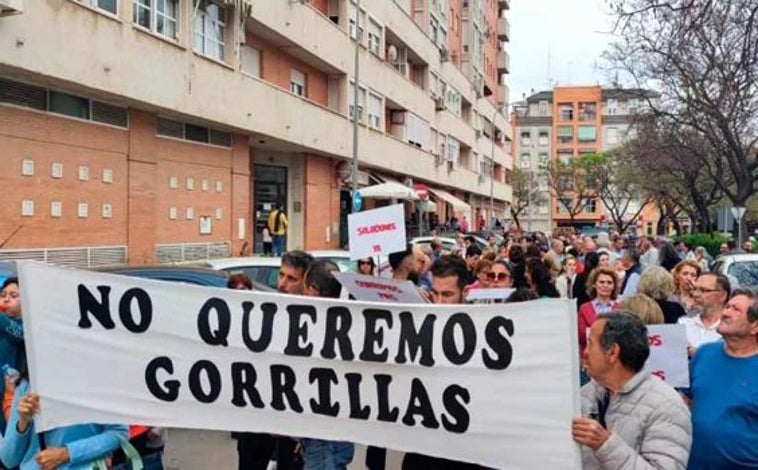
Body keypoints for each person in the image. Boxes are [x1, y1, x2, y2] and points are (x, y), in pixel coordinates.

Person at [572, 313, 691, 470]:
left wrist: (606, 445)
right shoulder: (586, 395)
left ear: (612, 352)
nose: (585, 352)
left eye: (590, 343)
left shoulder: (666, 406)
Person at [237, 250, 313, 470]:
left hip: (292, 428)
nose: (282, 283)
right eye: (281, 275)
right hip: (257, 421)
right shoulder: (262, 312)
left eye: (291, 278)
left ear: (305, 281)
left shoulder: (315, 320)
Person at [402, 255, 479, 469]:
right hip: (423, 446)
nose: (439, 302)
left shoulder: (482, 327)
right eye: (434, 293)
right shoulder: (420, 321)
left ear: (465, 292)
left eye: (447, 295)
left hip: (465, 448)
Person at [686, 289, 758, 469]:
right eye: (727, 306)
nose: (725, 313)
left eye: (736, 310)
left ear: (755, 326)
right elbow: (686, 401)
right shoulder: (704, 353)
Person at [300, 260, 355, 470]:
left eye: (304, 287)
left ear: (313, 290)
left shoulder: (319, 327)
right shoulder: (346, 322)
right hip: (332, 432)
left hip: (325, 436)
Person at [677, 272, 730, 358]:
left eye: (703, 290)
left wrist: (698, 354)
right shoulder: (683, 324)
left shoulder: (734, 329)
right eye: (695, 289)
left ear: (722, 296)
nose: (695, 294)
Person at [578, 267, 620, 356]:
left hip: (613, 358)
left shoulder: (620, 308)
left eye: (609, 283)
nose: (605, 285)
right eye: (601, 282)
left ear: (613, 286)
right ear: (594, 284)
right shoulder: (584, 308)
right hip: (591, 357)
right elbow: (581, 338)